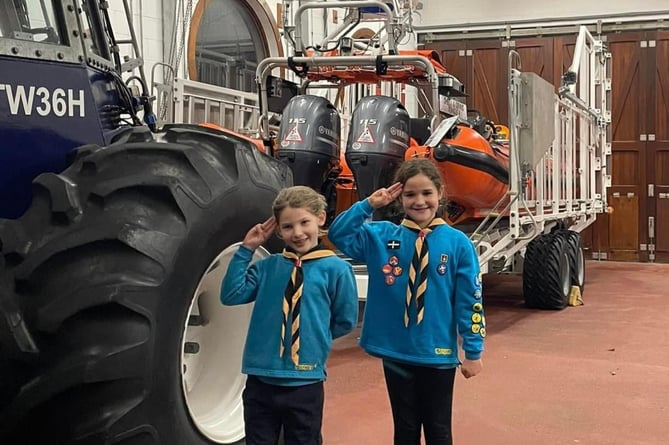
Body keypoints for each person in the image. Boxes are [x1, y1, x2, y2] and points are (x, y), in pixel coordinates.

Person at [328, 158, 485, 445]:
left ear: (439, 193)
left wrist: (473, 350)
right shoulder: (382, 237)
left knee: (439, 430)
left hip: (436, 352)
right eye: (410, 194)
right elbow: (339, 234)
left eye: (427, 193)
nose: (419, 201)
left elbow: (470, 299)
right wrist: (368, 205)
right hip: (396, 350)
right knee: (405, 428)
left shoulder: (457, 243)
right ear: (400, 197)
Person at [220, 185, 359, 445]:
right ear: (279, 231)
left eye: (304, 222)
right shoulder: (268, 267)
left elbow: (345, 320)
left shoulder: (336, 269)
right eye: (287, 227)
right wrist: (246, 249)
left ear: (320, 217)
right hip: (261, 380)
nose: (297, 233)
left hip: (305, 382)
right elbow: (231, 295)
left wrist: (314, 338)